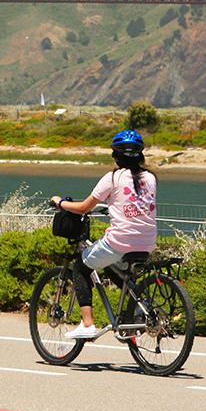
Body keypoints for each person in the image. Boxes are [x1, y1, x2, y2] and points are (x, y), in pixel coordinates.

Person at [49, 130, 158, 340]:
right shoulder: (151, 178)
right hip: (147, 242)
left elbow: (83, 208)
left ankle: (87, 324)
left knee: (81, 266)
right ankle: (139, 307)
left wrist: (60, 202)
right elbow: (136, 202)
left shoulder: (113, 177)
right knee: (114, 268)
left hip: (121, 241)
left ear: (115, 156)